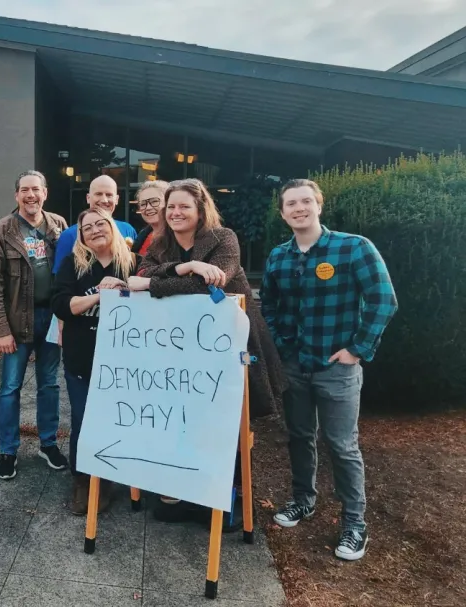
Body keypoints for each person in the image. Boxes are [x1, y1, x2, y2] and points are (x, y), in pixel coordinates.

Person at [128, 178, 284, 530]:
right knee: (186, 417)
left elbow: (210, 284)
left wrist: (154, 284)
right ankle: (184, 491)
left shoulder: (223, 238)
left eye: (184, 206)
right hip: (182, 348)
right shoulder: (161, 243)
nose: (176, 212)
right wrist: (186, 266)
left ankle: (224, 496)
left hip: (231, 344)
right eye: (171, 207)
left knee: (225, 420)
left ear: (200, 210)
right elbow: (140, 271)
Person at [261, 178, 397, 561]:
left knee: (342, 445)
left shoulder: (353, 247)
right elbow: (267, 306)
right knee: (300, 436)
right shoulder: (278, 256)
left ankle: (355, 523)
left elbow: (383, 300)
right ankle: (303, 500)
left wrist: (357, 348)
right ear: (283, 211)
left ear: (319, 205)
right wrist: (282, 347)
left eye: (306, 201)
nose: (299, 208)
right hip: (295, 367)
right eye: (291, 203)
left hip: (337, 368)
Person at [0, 170, 70, 480]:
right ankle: (8, 450)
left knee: (50, 384)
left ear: (45, 193)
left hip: (52, 317)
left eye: (36, 189)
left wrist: (65, 318)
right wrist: (1, 330)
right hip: (18, 319)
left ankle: (48, 444)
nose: (30, 195)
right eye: (24, 190)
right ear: (16, 195)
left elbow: (70, 270)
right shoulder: (2, 230)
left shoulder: (59, 225)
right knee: (10, 388)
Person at [52, 208, 135, 515]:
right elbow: (62, 304)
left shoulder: (132, 263)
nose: (96, 230)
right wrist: (99, 296)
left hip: (124, 363)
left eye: (101, 224)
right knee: (83, 420)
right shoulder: (72, 264)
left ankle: (111, 477)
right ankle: (84, 479)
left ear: (112, 227)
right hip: (82, 359)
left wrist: (124, 288)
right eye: (88, 228)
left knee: (118, 419)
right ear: (82, 237)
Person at [52, 174, 137, 274]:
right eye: (98, 194)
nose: (104, 200)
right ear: (88, 198)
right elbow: (60, 279)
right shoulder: (69, 235)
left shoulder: (128, 229)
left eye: (109, 195)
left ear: (116, 199)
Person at [130, 180, 169, 261]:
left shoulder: (179, 236)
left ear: (168, 202)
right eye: (143, 204)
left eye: (154, 201)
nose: (148, 208)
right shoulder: (142, 236)